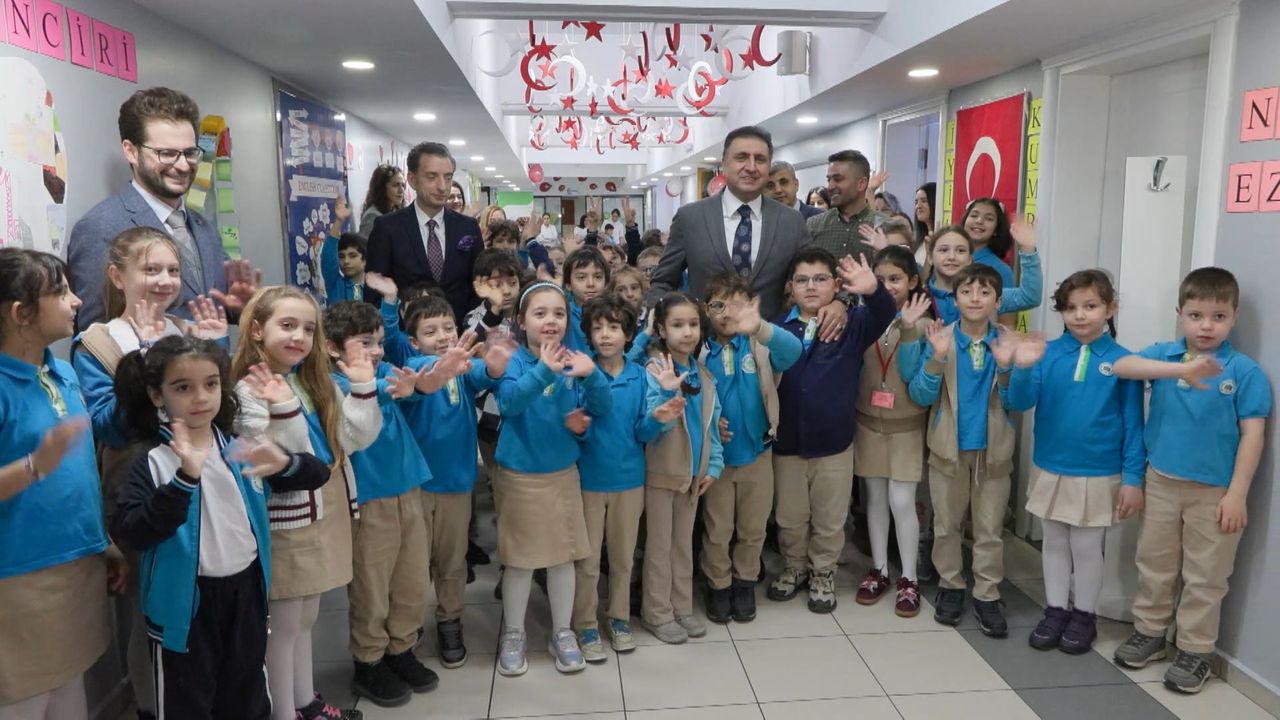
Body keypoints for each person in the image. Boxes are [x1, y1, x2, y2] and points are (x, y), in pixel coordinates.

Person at [110, 335, 330, 719]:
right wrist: (184, 480)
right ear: (157, 395)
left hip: (245, 595)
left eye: (211, 384)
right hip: (186, 607)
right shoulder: (150, 460)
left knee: (247, 698)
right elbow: (132, 531)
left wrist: (283, 463)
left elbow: (317, 473)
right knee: (187, 705)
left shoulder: (238, 447)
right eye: (183, 387)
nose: (201, 397)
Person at [72, 228, 227, 719]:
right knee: (150, 612)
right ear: (117, 277)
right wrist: (140, 362)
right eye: (151, 269)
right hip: (139, 493)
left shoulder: (186, 329)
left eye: (173, 270)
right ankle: (151, 707)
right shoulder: (96, 342)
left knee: (204, 597)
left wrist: (218, 349)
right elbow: (107, 427)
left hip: (201, 485)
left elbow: (221, 411)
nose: (164, 280)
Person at [1111, 268, 1270, 694]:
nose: (1206, 326)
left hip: (1215, 492)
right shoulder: (1164, 355)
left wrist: (1237, 494)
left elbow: (1253, 435)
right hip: (1161, 481)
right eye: (1196, 315)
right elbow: (1122, 366)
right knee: (1154, 563)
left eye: (1218, 316)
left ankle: (1196, 650)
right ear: (1180, 313)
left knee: (1206, 575)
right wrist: (1173, 370)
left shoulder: (1244, 371)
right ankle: (1150, 632)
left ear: (1234, 317)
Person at [231, 286, 383, 720]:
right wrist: (283, 409)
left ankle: (304, 703)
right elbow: (287, 463)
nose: (299, 336)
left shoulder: (313, 380)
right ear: (257, 330)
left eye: (308, 328)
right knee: (282, 626)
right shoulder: (249, 388)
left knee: (306, 618)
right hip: (287, 518)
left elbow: (354, 439)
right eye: (287, 325)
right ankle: (283, 712)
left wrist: (363, 388)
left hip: (326, 507)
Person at [323, 301, 474, 707]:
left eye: (378, 341)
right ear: (333, 348)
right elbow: (363, 408)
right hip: (370, 498)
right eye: (364, 342)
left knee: (410, 579)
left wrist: (435, 377)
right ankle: (369, 661)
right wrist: (407, 387)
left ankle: (401, 649)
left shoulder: (386, 369)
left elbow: (416, 381)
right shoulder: (331, 384)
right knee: (372, 586)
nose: (375, 351)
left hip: (409, 487)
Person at [0, 249, 123, 717]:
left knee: (71, 692)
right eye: (61, 292)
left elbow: (80, 474)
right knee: (27, 699)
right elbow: (44, 466)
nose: (77, 301)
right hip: (20, 577)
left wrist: (102, 542)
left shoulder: (63, 371)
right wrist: (34, 466)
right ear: (20, 313)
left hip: (77, 563)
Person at [1002, 270, 1145, 654]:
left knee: (1086, 545)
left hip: (1099, 470)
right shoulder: (1047, 353)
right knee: (1053, 540)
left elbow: (1134, 425)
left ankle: (1084, 615)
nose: (1080, 315)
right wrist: (1023, 366)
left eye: (1090, 306)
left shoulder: (1123, 361)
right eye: (1070, 308)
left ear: (1110, 308)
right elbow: (1019, 402)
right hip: (1050, 464)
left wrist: (1133, 478)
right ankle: (1054, 610)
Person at [493, 281, 612, 676]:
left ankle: (562, 631)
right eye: (540, 313)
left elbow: (602, 406)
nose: (550, 321)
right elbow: (509, 403)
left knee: (564, 558)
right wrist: (544, 369)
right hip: (520, 476)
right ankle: (513, 633)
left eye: (559, 313)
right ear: (521, 320)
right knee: (520, 562)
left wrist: (591, 377)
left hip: (563, 474)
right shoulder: (513, 360)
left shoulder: (575, 360)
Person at [68, 87, 259, 332]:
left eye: (190, 153)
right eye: (166, 154)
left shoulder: (203, 227)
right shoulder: (101, 227)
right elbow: (95, 337)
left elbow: (212, 305)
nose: (183, 166)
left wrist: (240, 308)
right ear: (131, 151)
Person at [767, 249, 895, 613]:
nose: (811, 286)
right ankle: (794, 566)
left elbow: (885, 313)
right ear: (790, 287)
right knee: (790, 515)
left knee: (830, 517)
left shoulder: (852, 324)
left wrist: (873, 291)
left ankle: (823, 571)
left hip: (833, 441)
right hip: (786, 441)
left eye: (821, 279)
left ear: (836, 285)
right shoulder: (774, 328)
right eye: (802, 280)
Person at [908, 264, 1017, 637]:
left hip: (994, 451)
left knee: (989, 529)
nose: (975, 299)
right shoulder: (940, 337)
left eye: (985, 292)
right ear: (954, 299)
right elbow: (921, 395)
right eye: (967, 291)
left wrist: (1007, 369)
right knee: (946, 525)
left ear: (998, 301)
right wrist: (937, 358)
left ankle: (987, 594)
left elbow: (1019, 401)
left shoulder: (1006, 341)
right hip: (947, 449)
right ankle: (951, 585)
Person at [573, 296, 675, 661]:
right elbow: (577, 427)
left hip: (630, 481)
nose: (605, 334)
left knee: (622, 559)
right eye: (597, 328)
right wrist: (578, 428)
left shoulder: (640, 376)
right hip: (588, 481)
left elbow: (642, 433)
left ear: (629, 334)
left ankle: (618, 618)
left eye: (614, 327)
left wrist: (658, 417)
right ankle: (585, 623)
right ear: (588, 335)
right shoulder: (581, 374)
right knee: (587, 562)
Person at [647, 127, 828, 326]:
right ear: (724, 163)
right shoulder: (690, 218)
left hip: (770, 340)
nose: (751, 167)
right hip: (706, 341)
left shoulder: (791, 221)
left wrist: (837, 303)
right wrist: (663, 321)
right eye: (741, 157)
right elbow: (662, 281)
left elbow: (816, 275)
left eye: (760, 159)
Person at [699, 273, 802, 624]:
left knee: (753, 527)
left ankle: (744, 581)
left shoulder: (758, 346)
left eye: (737, 305)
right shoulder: (700, 351)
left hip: (758, 453)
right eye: (718, 305)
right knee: (718, 529)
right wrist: (710, 422)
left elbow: (793, 352)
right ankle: (718, 583)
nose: (728, 313)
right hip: (718, 462)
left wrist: (759, 327)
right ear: (706, 310)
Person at [852, 246, 935, 618]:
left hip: (906, 428)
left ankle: (910, 578)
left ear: (913, 281)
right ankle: (880, 570)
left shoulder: (925, 325)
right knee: (874, 499)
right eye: (880, 279)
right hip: (867, 423)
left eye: (896, 279)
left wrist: (910, 330)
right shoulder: (862, 319)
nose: (887, 286)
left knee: (902, 502)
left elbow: (913, 379)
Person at [642, 292, 724, 644]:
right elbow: (651, 423)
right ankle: (657, 612)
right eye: (677, 325)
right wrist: (665, 395)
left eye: (693, 324)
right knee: (659, 547)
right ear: (661, 329)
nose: (687, 332)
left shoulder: (704, 375)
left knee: (682, 546)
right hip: (662, 473)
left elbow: (712, 426)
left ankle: (682, 606)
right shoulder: (653, 370)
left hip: (694, 476)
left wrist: (714, 465)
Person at [366, 142, 482, 325]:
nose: (442, 186)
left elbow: (479, 286)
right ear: (412, 180)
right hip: (405, 336)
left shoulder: (467, 227)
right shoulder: (388, 228)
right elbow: (374, 293)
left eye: (448, 177)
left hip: (459, 333)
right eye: (432, 177)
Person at [925, 223, 1042, 324]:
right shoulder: (920, 297)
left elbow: (1029, 297)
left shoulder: (987, 294)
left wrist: (1028, 249)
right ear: (930, 257)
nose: (952, 257)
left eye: (961, 251)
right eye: (943, 250)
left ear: (970, 259)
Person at [805, 150, 885, 264]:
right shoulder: (814, 225)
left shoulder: (884, 227)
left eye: (838, 179)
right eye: (829, 180)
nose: (830, 187)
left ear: (861, 184)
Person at [562, 247, 611, 353]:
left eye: (598, 277)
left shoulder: (616, 314)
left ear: (606, 283)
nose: (590, 284)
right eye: (581, 277)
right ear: (568, 285)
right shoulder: (563, 315)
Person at [962, 198, 1016, 288]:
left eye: (989, 218)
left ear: (996, 229)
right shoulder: (949, 258)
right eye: (974, 215)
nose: (979, 221)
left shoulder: (1001, 270)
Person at [323, 197, 368, 302]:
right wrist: (339, 220)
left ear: (365, 259)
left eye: (353, 256)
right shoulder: (335, 284)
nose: (346, 261)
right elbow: (328, 256)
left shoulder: (374, 289)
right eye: (341, 256)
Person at [360, 164, 408, 238]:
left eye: (403, 185)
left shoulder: (398, 212)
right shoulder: (373, 216)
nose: (401, 190)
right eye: (396, 185)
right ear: (382, 188)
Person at [914, 182, 937, 260]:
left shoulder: (942, 239)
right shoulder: (919, 241)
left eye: (924, 201)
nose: (918, 206)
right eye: (916, 202)